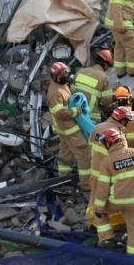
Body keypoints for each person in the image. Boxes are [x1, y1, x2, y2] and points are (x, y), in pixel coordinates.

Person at [92, 128, 134, 256]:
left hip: (115, 202)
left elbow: (102, 188)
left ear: (109, 143)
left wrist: (98, 207)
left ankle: (107, 239)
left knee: (97, 211)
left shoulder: (107, 161)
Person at [47, 61, 91, 190]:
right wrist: (77, 110)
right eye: (62, 74)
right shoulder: (55, 93)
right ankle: (86, 184)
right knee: (85, 155)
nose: (65, 76)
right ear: (55, 77)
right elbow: (60, 114)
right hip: (69, 129)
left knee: (65, 154)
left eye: (65, 73)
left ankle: (63, 179)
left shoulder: (62, 85)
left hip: (64, 129)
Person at [87, 106, 134, 216]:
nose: (127, 123)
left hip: (94, 172)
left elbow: (89, 146)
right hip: (108, 176)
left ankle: (89, 220)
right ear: (120, 119)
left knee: (94, 197)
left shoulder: (98, 127)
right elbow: (121, 159)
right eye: (126, 120)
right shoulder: (119, 138)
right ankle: (112, 225)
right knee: (109, 203)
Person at [72, 49, 114, 123]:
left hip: (74, 113)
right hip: (91, 117)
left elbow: (71, 91)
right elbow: (106, 102)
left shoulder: (81, 71)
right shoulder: (104, 78)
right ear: (105, 65)